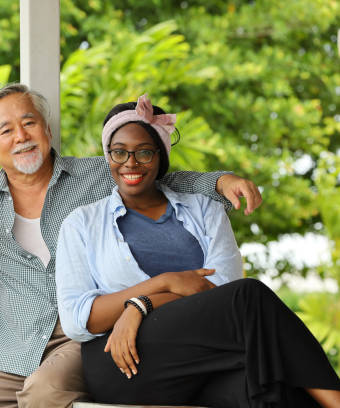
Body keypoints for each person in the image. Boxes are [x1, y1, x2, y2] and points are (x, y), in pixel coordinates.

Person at [0, 83, 264, 407]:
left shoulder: (97, 177)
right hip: (13, 347)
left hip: (86, 333)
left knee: (45, 394)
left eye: (29, 123)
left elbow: (160, 177)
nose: (21, 136)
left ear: (47, 130)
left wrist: (218, 181)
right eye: (5, 130)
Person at [55, 95, 340, 407]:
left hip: (202, 362)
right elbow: (78, 319)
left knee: (270, 390)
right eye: (118, 152)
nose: (130, 163)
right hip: (124, 362)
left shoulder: (204, 211)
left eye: (144, 152)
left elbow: (218, 291)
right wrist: (162, 283)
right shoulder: (81, 223)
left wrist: (140, 306)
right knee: (250, 296)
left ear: (161, 156)